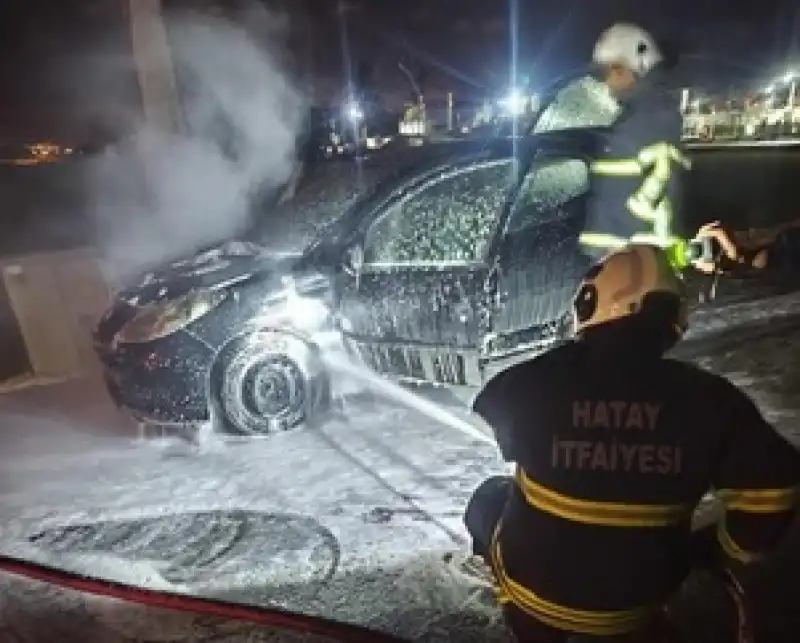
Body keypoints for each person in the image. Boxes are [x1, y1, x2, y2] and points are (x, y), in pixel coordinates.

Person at [463, 243, 800, 643]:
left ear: (592, 302)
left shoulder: (536, 382)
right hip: (640, 604)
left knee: (488, 498)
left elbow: (496, 417)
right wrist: (718, 548)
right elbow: (775, 490)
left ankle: (517, 612)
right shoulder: (710, 398)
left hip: (536, 600)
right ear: (672, 316)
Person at [577, 23, 692, 266]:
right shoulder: (633, 115)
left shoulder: (646, 118)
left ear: (632, 69)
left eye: (611, 71)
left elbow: (655, 187)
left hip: (632, 262)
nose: (606, 81)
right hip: (623, 258)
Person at [691, 220, 800, 276]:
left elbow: (719, 232)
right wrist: (714, 267)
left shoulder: (704, 234)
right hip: (769, 258)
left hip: (771, 242)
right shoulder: (709, 263)